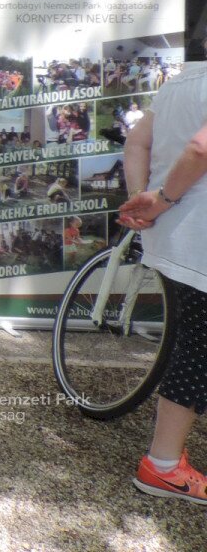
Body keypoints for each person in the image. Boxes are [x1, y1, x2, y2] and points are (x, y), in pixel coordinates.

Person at [119, 62, 207, 504]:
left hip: (175, 237)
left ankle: (166, 462)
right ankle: (164, 465)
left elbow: (137, 141)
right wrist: (159, 200)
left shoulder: (181, 81)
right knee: (198, 350)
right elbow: (201, 147)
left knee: (193, 342)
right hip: (198, 237)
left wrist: (142, 200)